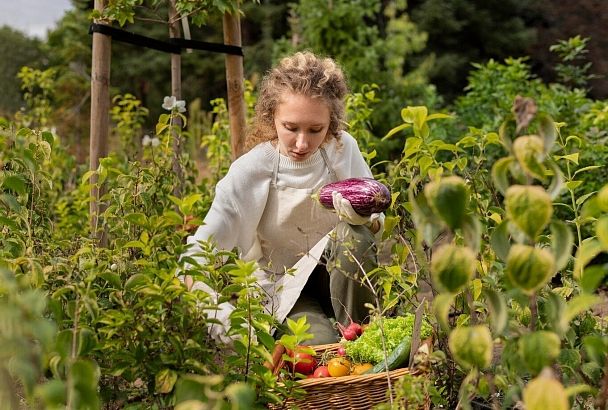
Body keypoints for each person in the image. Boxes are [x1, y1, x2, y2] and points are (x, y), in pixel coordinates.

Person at [180, 51, 383, 345]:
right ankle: (327, 342)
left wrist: (367, 220)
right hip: (283, 288)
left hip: (341, 279)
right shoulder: (250, 171)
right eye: (290, 128)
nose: (302, 143)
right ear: (271, 115)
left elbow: (377, 222)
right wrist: (222, 317)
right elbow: (193, 260)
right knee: (317, 350)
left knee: (355, 236)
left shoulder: (341, 149)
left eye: (316, 130)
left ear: (332, 122)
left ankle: (365, 339)